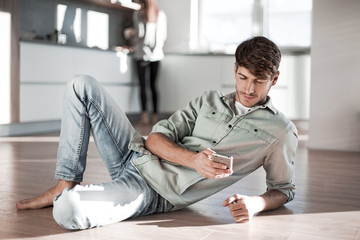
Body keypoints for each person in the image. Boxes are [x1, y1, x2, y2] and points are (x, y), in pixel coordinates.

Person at [16, 36, 298, 230]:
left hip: (155, 191)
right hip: (134, 153)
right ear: (235, 69)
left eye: (259, 81)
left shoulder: (281, 132)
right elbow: (154, 139)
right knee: (81, 84)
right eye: (243, 77)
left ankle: (78, 196)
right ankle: (65, 182)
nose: (249, 90)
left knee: (67, 211)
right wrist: (194, 160)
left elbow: (283, 190)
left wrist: (256, 203)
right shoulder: (209, 100)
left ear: (274, 79)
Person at [132, 0, 167, 124]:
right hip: (157, 55)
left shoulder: (138, 14)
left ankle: (144, 117)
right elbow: (163, 36)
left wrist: (131, 35)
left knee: (143, 86)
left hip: (142, 54)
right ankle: (155, 117)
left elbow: (140, 34)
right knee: (153, 86)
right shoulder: (161, 14)